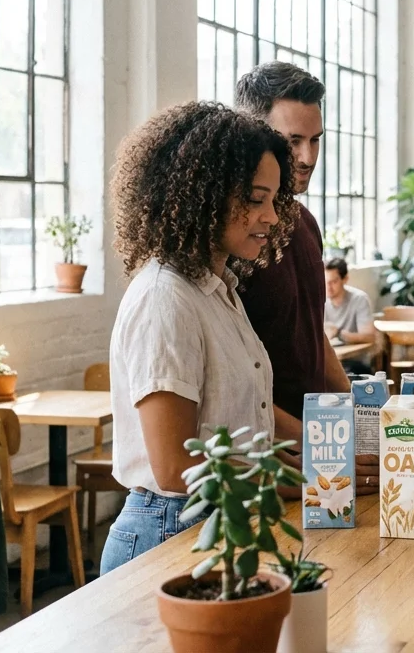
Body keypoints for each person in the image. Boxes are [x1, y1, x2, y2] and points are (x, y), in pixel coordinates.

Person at [101, 102, 295, 574]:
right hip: (169, 532)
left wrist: (336, 443)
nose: (270, 216)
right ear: (203, 195)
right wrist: (309, 480)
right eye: (255, 198)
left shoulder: (216, 288)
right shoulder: (165, 298)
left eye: (274, 199)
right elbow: (176, 468)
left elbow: (253, 414)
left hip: (217, 519)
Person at [234, 62, 379, 497]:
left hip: (321, 447)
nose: (307, 157)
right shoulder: (234, 234)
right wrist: (318, 445)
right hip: (268, 462)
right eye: (292, 140)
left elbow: (312, 334)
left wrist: (364, 417)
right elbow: (229, 379)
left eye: (315, 140)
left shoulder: (306, 223)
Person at [323, 258, 376, 372]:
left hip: (354, 362)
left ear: (345, 279)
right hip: (330, 361)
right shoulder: (321, 300)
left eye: (334, 282)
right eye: (325, 281)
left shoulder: (359, 299)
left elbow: (369, 337)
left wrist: (339, 333)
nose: (328, 287)